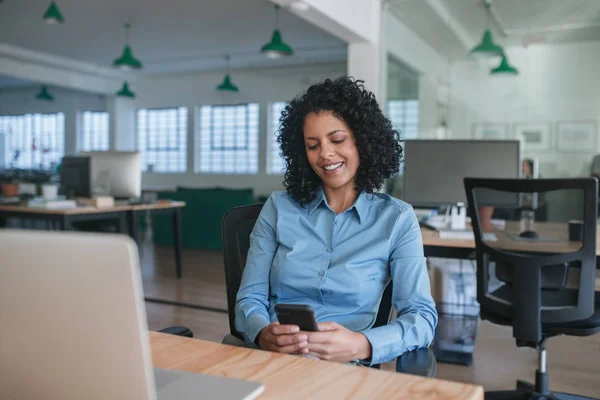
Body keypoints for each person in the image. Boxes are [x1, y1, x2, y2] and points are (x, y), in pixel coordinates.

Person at [234, 77, 437, 366]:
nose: (325, 154)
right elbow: (249, 298)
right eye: (312, 145)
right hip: (273, 363)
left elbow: (422, 318)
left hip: (344, 371)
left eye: (337, 139)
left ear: (362, 141)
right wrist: (262, 332)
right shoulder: (279, 208)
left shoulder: (397, 220)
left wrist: (362, 344)